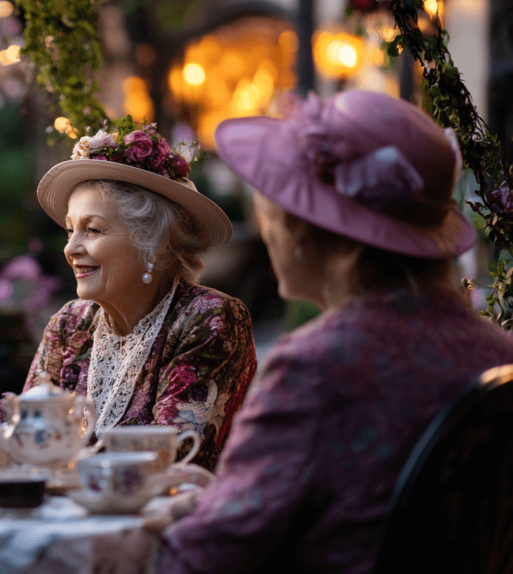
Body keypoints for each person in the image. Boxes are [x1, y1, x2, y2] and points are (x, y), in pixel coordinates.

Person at [160, 91, 513, 573]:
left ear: (315, 231)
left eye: (275, 209)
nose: (268, 228)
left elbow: (198, 563)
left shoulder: (319, 367)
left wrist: (169, 525)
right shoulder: (499, 353)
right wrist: (222, 500)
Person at [26, 123, 257, 469]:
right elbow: (24, 434)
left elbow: (168, 460)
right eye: (69, 230)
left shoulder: (209, 318)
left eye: (92, 229)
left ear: (153, 243)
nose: (71, 248)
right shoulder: (69, 325)